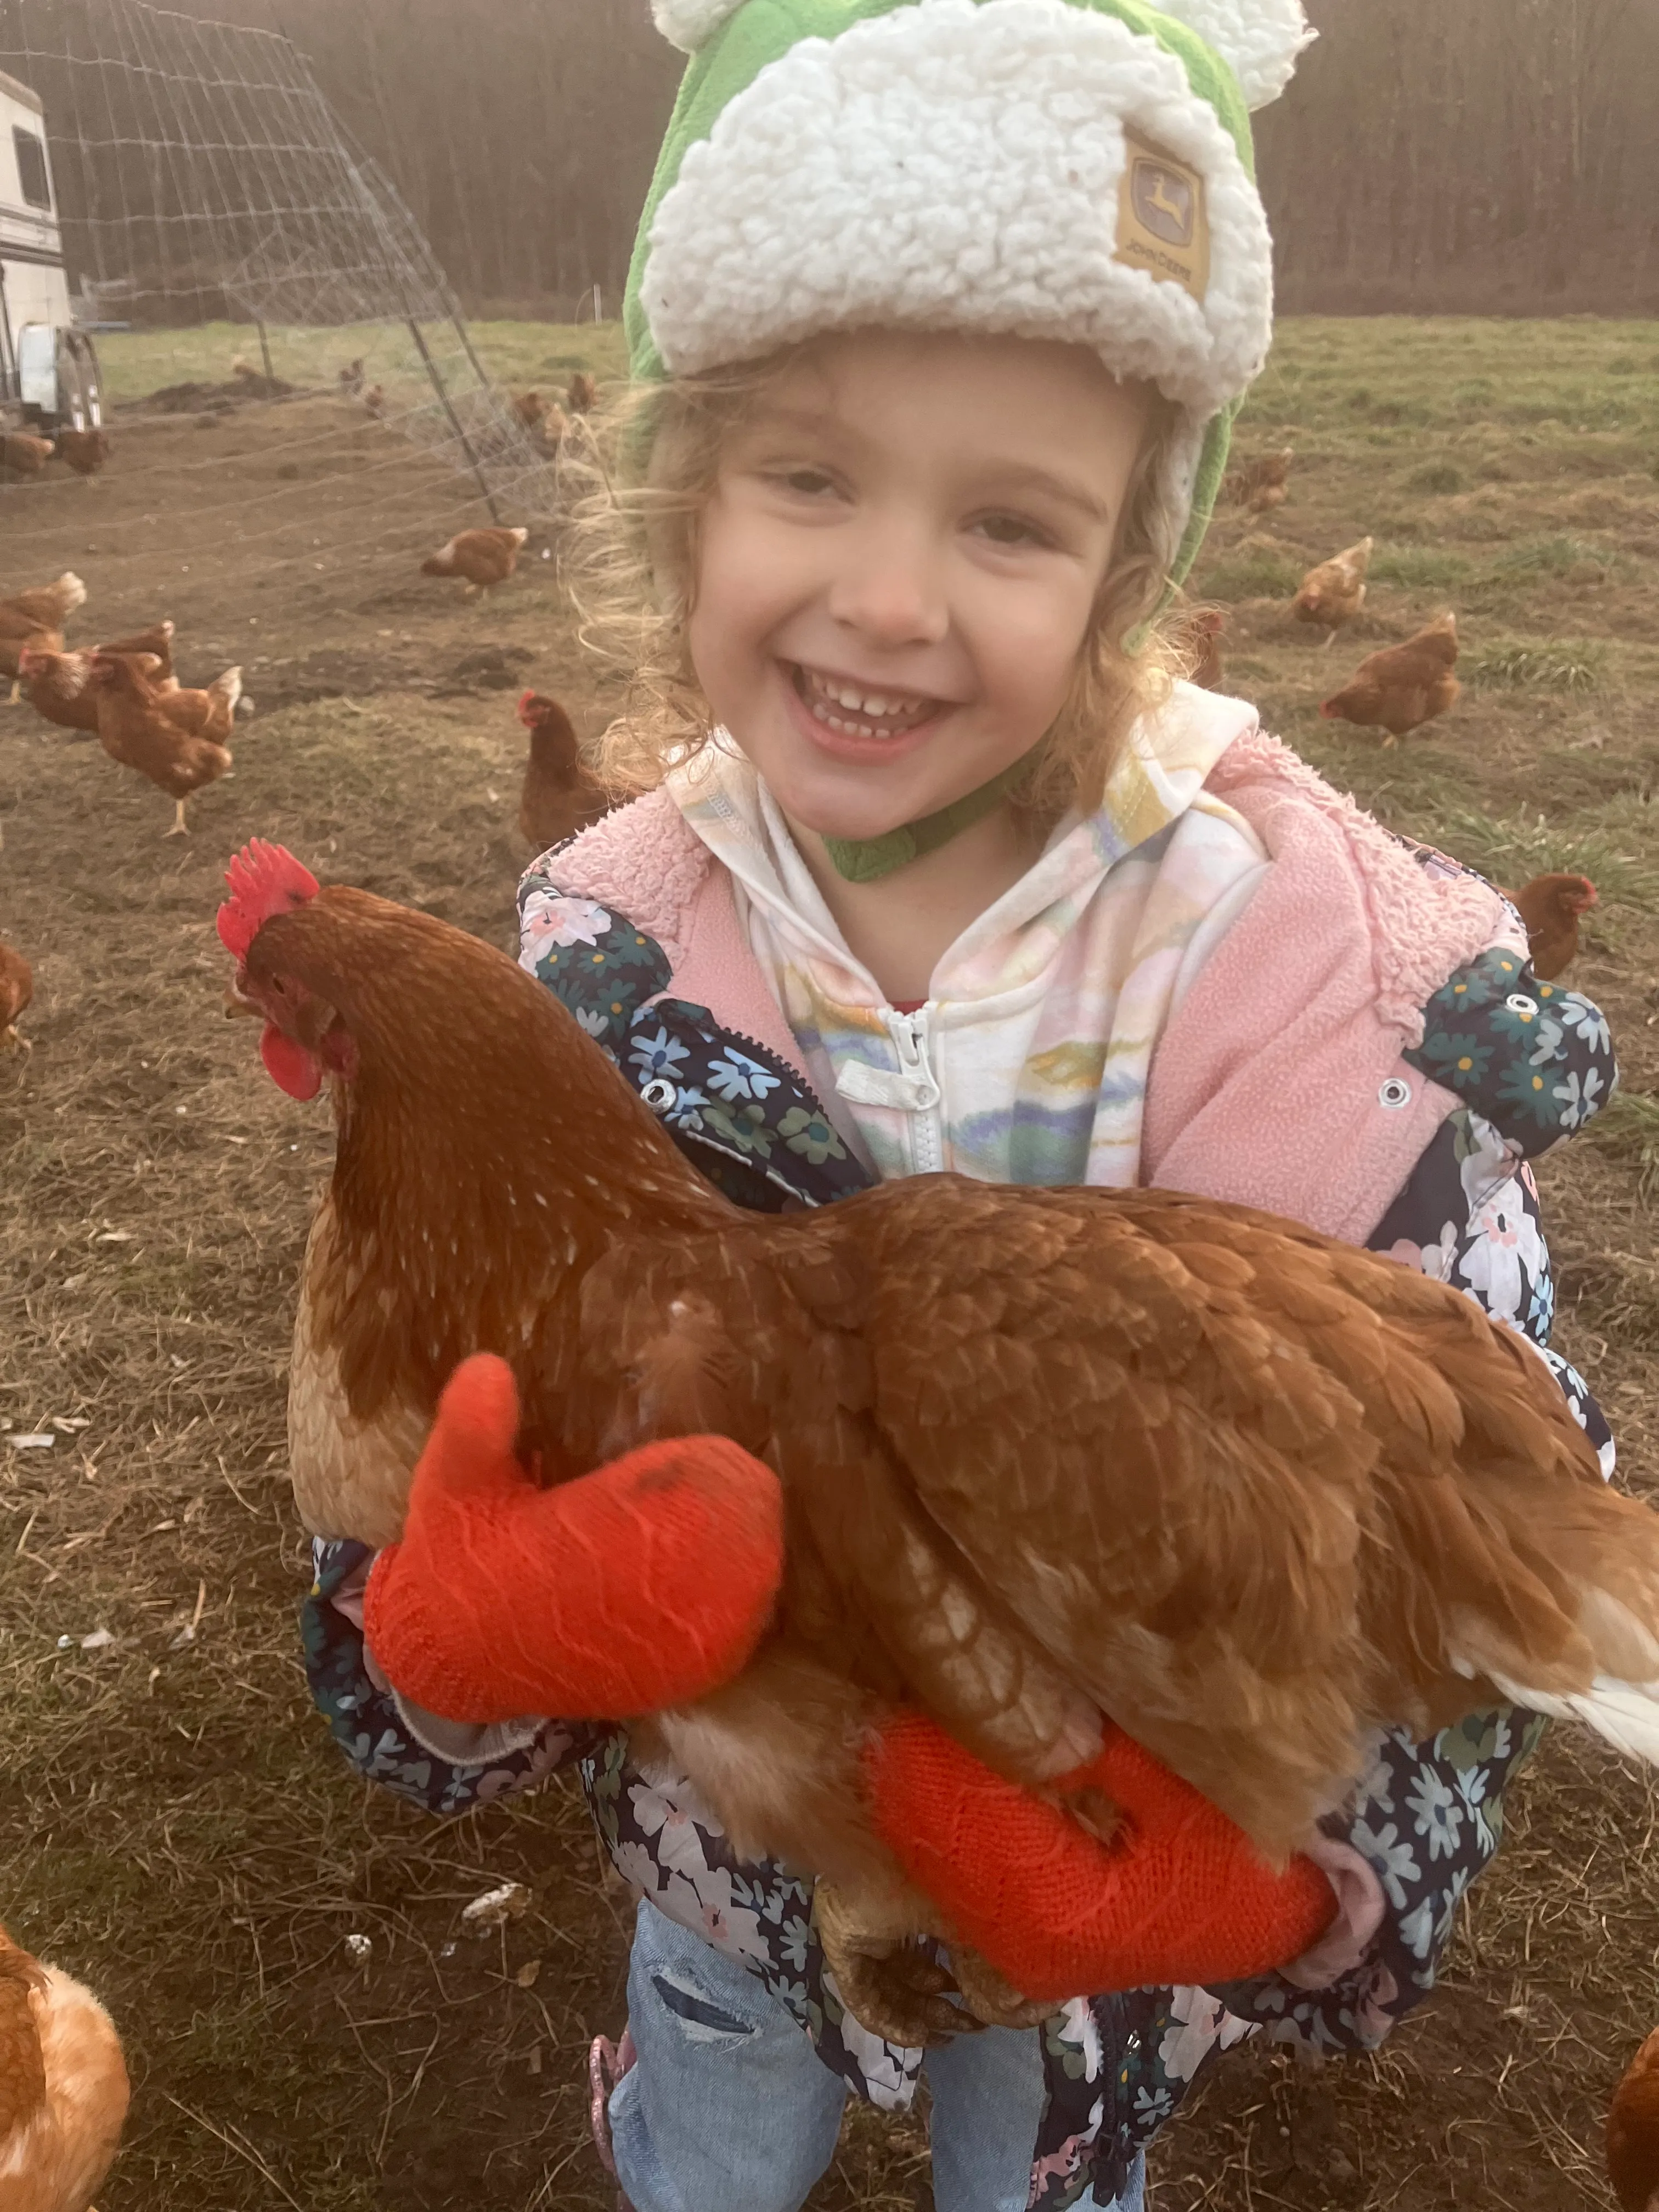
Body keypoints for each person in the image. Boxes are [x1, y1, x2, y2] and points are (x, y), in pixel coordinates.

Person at [301, 1, 1620, 2206]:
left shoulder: (1305, 987)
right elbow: (398, 1459)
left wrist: (1271, 1908)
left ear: (1128, 563)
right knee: (716, 2126)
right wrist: (452, 1646)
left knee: (1036, 2165)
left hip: (1088, 1926)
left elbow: (1511, 1514)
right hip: (730, 1880)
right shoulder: (585, 968)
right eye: (809, 476)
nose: (888, 599)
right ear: (681, 500)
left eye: (1009, 522)